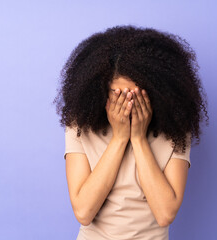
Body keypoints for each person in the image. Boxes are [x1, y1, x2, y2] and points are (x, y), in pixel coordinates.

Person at [53, 25, 209, 240]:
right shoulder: (79, 126)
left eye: (134, 95)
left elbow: (165, 214)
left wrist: (138, 138)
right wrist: (119, 138)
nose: (126, 103)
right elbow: (83, 211)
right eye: (117, 94)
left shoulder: (176, 129)